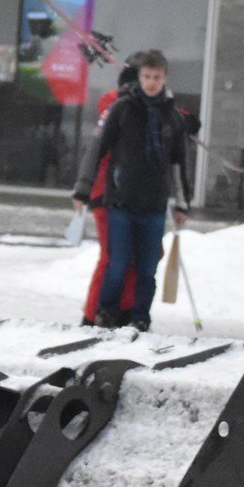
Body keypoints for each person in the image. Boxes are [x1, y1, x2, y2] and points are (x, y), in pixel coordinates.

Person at [71, 50, 192, 332]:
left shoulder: (172, 117)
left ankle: (140, 316)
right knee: (118, 262)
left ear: (164, 78)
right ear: (139, 77)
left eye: (157, 77)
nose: (151, 82)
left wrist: (182, 202)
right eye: (147, 76)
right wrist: (83, 188)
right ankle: (106, 311)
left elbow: (179, 163)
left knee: (148, 268)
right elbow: (97, 148)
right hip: (121, 201)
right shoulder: (122, 109)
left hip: (154, 204)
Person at [80, 62, 141, 326]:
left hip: (125, 193)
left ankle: (122, 310)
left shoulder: (128, 107)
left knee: (131, 256)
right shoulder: (117, 107)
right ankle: (92, 314)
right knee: (111, 256)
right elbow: (98, 151)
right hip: (106, 193)